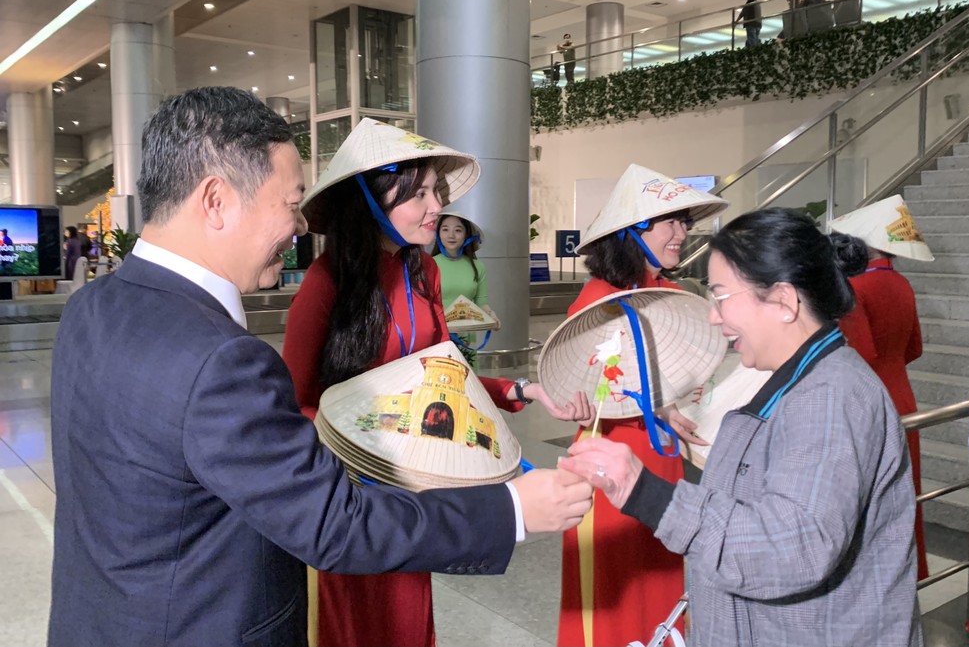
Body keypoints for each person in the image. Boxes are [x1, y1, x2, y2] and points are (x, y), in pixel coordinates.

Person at [47, 87, 595, 647]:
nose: (300, 225)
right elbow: (336, 524)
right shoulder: (226, 359)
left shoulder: (91, 308)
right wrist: (511, 512)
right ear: (216, 200)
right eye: (289, 203)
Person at [282, 117, 595, 647]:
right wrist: (357, 436)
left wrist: (517, 392)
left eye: (436, 192)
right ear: (373, 200)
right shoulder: (326, 281)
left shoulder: (421, 271)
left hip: (417, 493)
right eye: (419, 194)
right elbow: (293, 404)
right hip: (354, 500)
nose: (436, 208)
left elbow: (446, 375)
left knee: (408, 615)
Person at [561, 207, 922, 647]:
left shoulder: (829, 399)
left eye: (722, 295)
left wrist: (646, 493)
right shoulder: (802, 379)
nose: (714, 317)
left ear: (784, 301)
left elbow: (791, 549)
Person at [557, 163, 728, 647]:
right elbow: (594, 388)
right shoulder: (598, 303)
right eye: (670, 222)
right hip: (608, 459)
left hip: (664, 456)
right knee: (613, 588)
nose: (682, 232)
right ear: (632, 231)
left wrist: (673, 407)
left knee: (662, 579)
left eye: (684, 222)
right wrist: (656, 405)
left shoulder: (672, 293)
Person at [830, 195, 935, 580]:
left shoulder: (855, 289)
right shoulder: (901, 283)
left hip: (871, 402)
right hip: (904, 397)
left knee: (871, 499)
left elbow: (858, 356)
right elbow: (914, 348)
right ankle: (909, 570)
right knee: (906, 493)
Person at [432, 211, 492, 368]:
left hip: (466, 337)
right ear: (438, 234)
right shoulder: (429, 265)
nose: (451, 235)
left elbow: (482, 304)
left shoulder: (477, 266)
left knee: (468, 381)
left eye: (458, 230)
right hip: (437, 335)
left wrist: (492, 317)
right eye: (445, 229)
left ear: (466, 235)